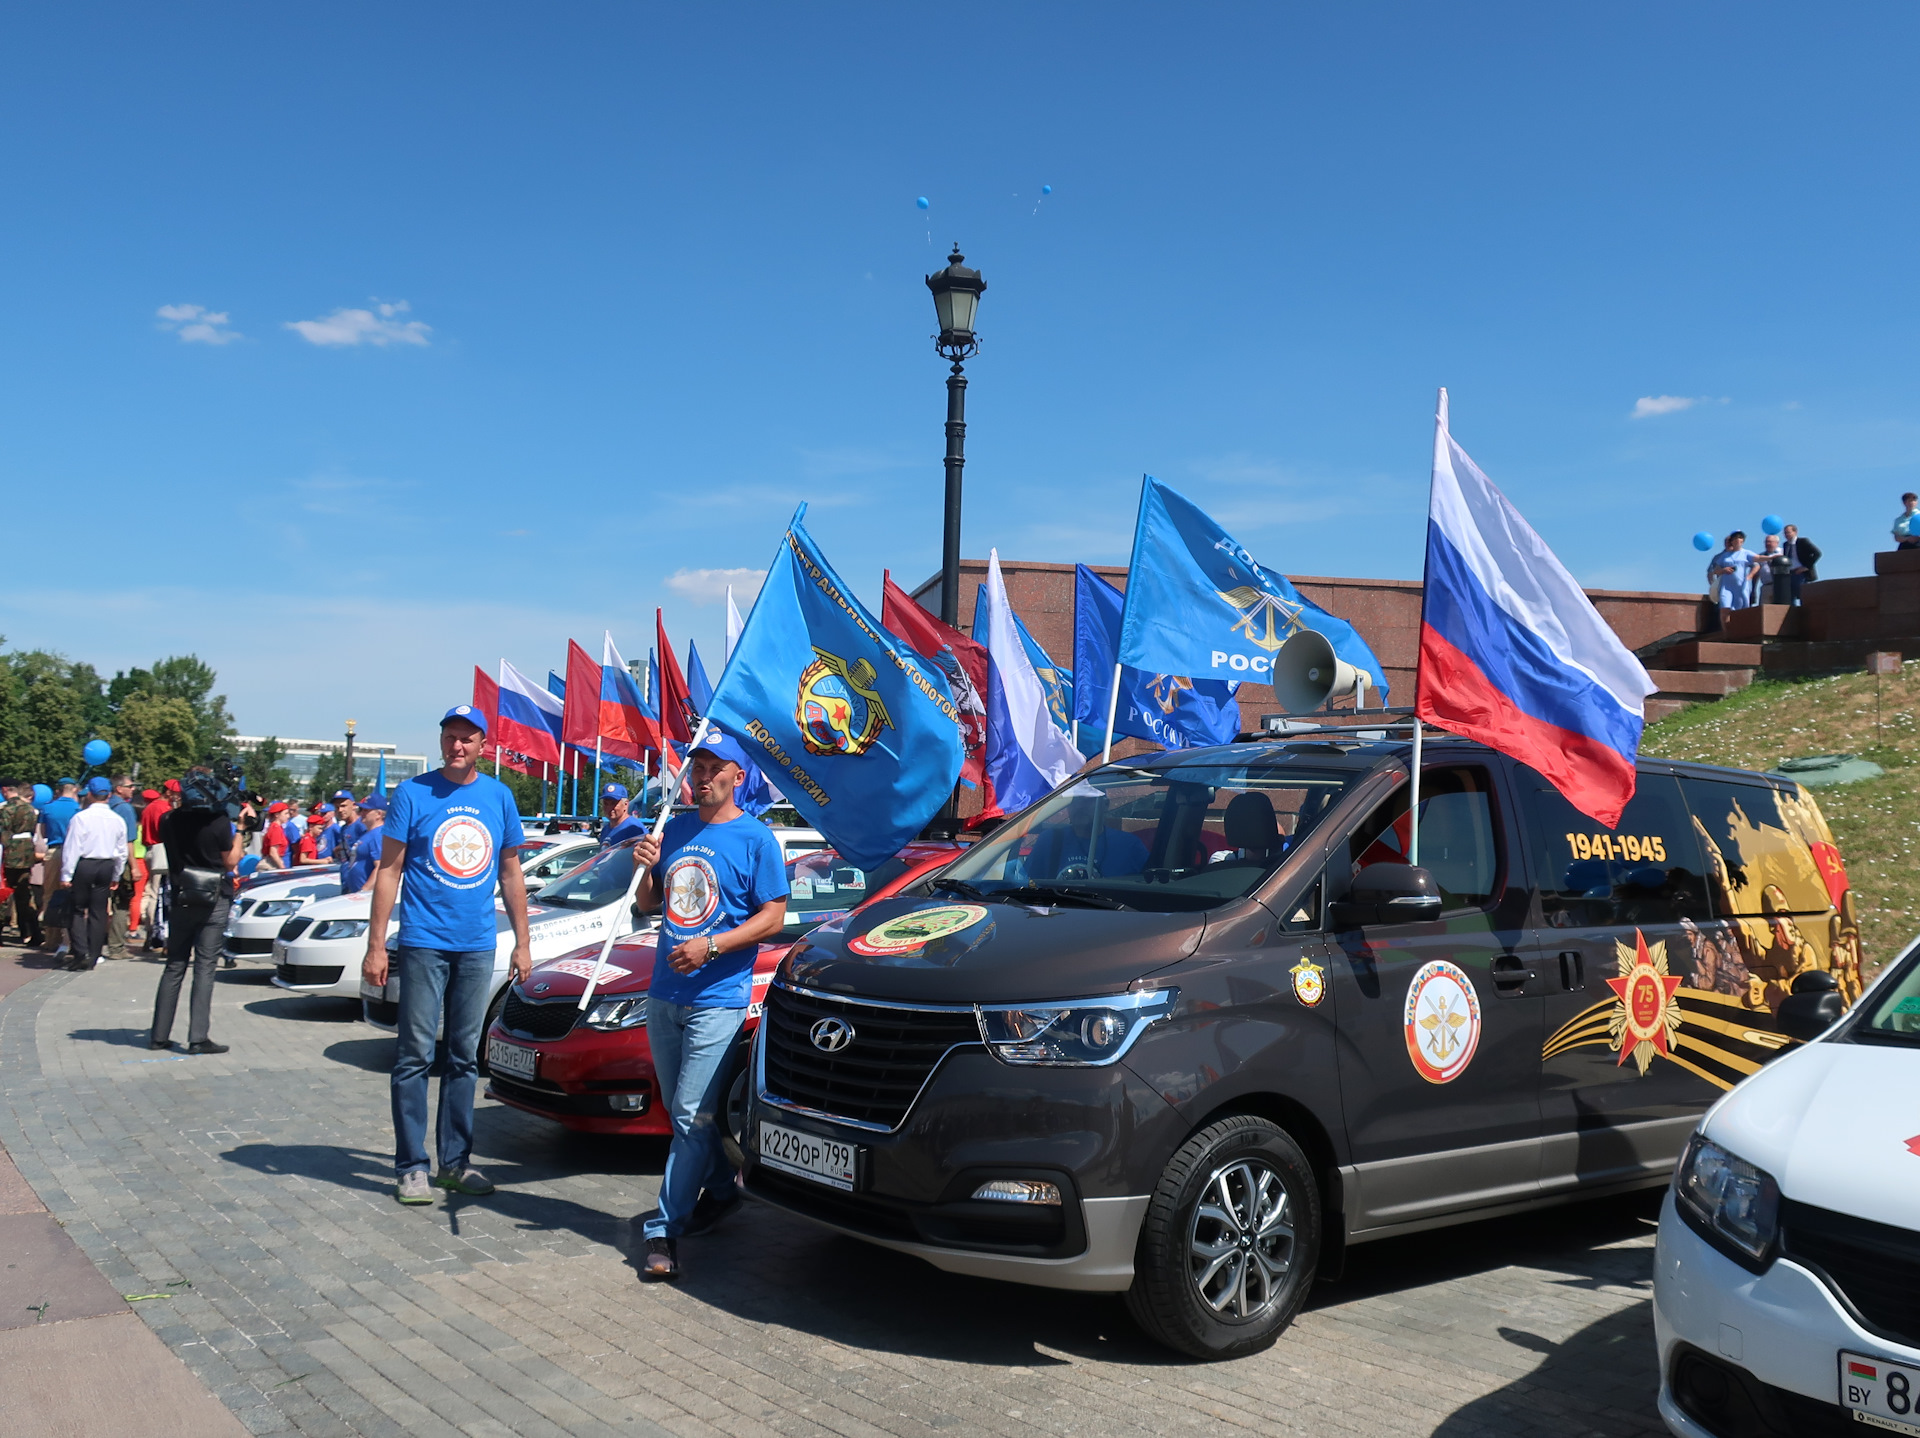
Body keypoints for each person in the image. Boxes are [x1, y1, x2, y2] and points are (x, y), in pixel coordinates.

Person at [630, 733, 789, 1280]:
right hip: (664, 995)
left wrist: (713, 946)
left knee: (690, 1115)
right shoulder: (674, 830)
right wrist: (648, 867)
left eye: (714, 768)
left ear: (736, 777)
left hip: (718, 999)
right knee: (688, 1117)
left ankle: (663, 1231)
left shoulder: (757, 839)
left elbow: (773, 918)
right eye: (696, 766)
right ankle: (722, 1190)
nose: (701, 776)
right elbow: (647, 904)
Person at [361, 705, 531, 1205]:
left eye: (468, 739)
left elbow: (511, 873)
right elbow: (389, 872)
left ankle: (455, 1161)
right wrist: (376, 946)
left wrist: (522, 942)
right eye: (450, 737)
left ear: (483, 745)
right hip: (422, 943)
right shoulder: (413, 794)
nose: (458, 746)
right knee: (413, 1056)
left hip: (478, 945)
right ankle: (411, 1165)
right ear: (441, 742)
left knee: (463, 1058)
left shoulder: (498, 797)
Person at [150, 769, 244, 1054]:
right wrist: (240, 829)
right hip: (213, 895)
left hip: (181, 894)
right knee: (204, 967)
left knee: (174, 965)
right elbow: (230, 862)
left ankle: (158, 1035)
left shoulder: (169, 819)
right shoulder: (218, 822)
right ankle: (198, 1037)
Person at [60, 778, 128, 971]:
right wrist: (117, 874)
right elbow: (121, 851)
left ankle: (81, 952)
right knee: (99, 911)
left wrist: (66, 874)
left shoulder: (81, 818)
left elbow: (72, 848)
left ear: (89, 794)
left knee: (77, 908)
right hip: (106, 865)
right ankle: (94, 954)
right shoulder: (117, 819)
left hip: (85, 864)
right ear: (108, 795)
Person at [36, 778, 81, 958]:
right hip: (74, 852)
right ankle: (68, 939)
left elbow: (43, 833)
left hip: (54, 851)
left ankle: (50, 938)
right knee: (72, 896)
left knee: (49, 895)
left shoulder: (47, 808)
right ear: (75, 790)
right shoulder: (79, 810)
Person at [1, 780, 41, 947]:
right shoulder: (30, 809)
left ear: (5, 790)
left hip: (10, 854)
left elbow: (4, 833)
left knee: (4, 894)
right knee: (24, 895)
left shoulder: (7, 809)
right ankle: (34, 932)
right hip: (26, 853)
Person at [105, 776, 140, 956]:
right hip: (120, 861)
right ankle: (116, 947)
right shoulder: (125, 808)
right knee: (121, 903)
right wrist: (134, 867)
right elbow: (129, 841)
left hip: (99, 860)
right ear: (119, 788)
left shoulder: (104, 805)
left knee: (97, 903)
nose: (133, 789)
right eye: (130, 786)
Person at [139, 783, 175, 950]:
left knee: (152, 893)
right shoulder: (164, 808)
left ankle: (149, 936)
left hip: (151, 850)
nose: (178, 796)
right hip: (162, 850)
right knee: (162, 895)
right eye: (175, 793)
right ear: (168, 792)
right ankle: (160, 938)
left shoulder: (149, 807)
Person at [338, 795, 386, 894]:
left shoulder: (378, 835)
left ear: (378, 814)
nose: (361, 813)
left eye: (366, 810)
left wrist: (364, 890)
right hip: (357, 892)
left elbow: (380, 867)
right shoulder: (368, 834)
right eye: (361, 809)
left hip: (367, 895)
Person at [1708, 532, 1760, 621]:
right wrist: (1713, 585)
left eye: (1730, 541)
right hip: (1724, 586)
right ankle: (1726, 631)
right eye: (1727, 541)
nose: (1728, 543)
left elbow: (1756, 565)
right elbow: (1711, 572)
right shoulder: (1719, 557)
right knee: (1724, 609)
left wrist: (1749, 576)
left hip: (1740, 587)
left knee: (1741, 608)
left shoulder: (1743, 553)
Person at [1781, 523, 1820, 606]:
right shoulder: (1785, 545)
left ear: (1795, 532)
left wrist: (1806, 566)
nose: (1786, 535)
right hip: (1790, 573)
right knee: (1790, 597)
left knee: (1803, 596)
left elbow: (1817, 553)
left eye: (1788, 532)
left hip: (1801, 573)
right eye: (1785, 533)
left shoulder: (1802, 541)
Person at [599, 782, 644, 847]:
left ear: (626, 804)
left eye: (614, 803)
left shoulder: (634, 829)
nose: (609, 808)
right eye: (606, 803)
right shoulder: (605, 830)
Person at [1754, 535, 1790, 606]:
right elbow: (1756, 574)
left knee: (1780, 608)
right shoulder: (1760, 556)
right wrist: (1753, 589)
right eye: (1766, 542)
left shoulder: (1783, 553)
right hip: (1766, 586)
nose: (1768, 544)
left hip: (1781, 586)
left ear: (1777, 543)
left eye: (1770, 542)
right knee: (1764, 611)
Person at [259, 801, 292, 869]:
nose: (288, 816)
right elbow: (273, 852)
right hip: (271, 864)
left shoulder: (275, 827)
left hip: (272, 861)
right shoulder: (276, 829)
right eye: (285, 813)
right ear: (277, 815)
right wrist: (282, 868)